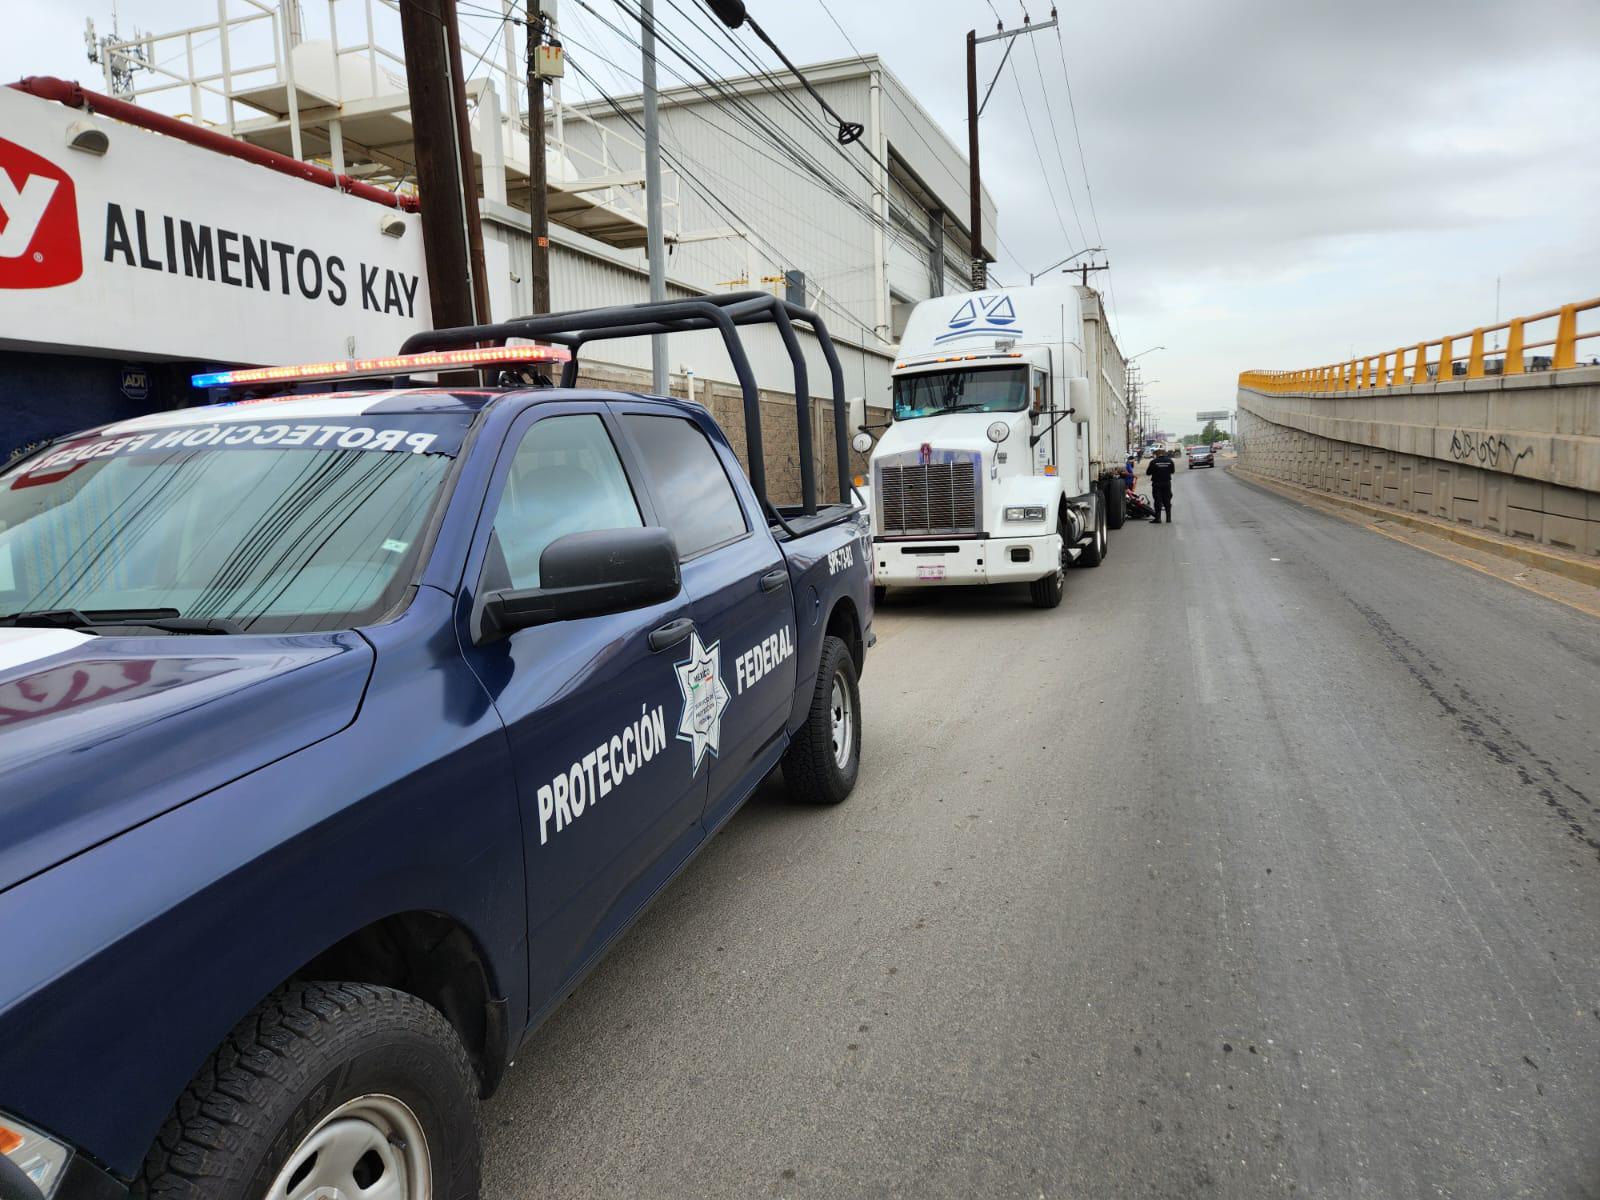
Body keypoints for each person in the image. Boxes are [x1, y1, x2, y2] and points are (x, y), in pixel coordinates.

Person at [1145, 446, 1176, 523]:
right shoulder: (1170, 461)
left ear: (1156, 454)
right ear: (1164, 454)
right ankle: (1168, 518)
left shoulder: (1153, 462)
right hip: (1167, 483)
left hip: (1157, 484)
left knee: (1157, 501)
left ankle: (1158, 518)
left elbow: (1148, 473)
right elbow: (1172, 471)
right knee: (1167, 500)